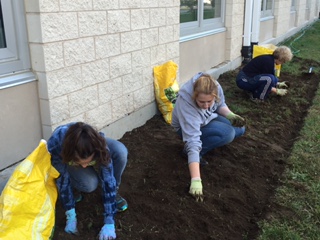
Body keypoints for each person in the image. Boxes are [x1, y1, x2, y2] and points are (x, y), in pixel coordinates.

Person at [171, 72, 246, 202]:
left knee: (239, 129)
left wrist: (230, 116)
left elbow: (220, 104)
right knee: (228, 134)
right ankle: (191, 153)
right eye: (201, 102)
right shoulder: (187, 105)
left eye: (209, 101)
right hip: (186, 129)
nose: (206, 106)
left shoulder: (215, 86)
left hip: (207, 120)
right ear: (194, 97)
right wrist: (196, 180)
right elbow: (193, 141)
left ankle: (210, 137)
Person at [47, 122, 128, 239]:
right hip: (65, 154)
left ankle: (114, 195)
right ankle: (75, 189)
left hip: (89, 149)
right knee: (89, 184)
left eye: (88, 162)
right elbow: (62, 180)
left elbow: (108, 179)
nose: (85, 166)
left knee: (120, 151)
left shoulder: (99, 145)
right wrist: (70, 215)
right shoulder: (56, 146)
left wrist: (109, 222)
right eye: (81, 163)